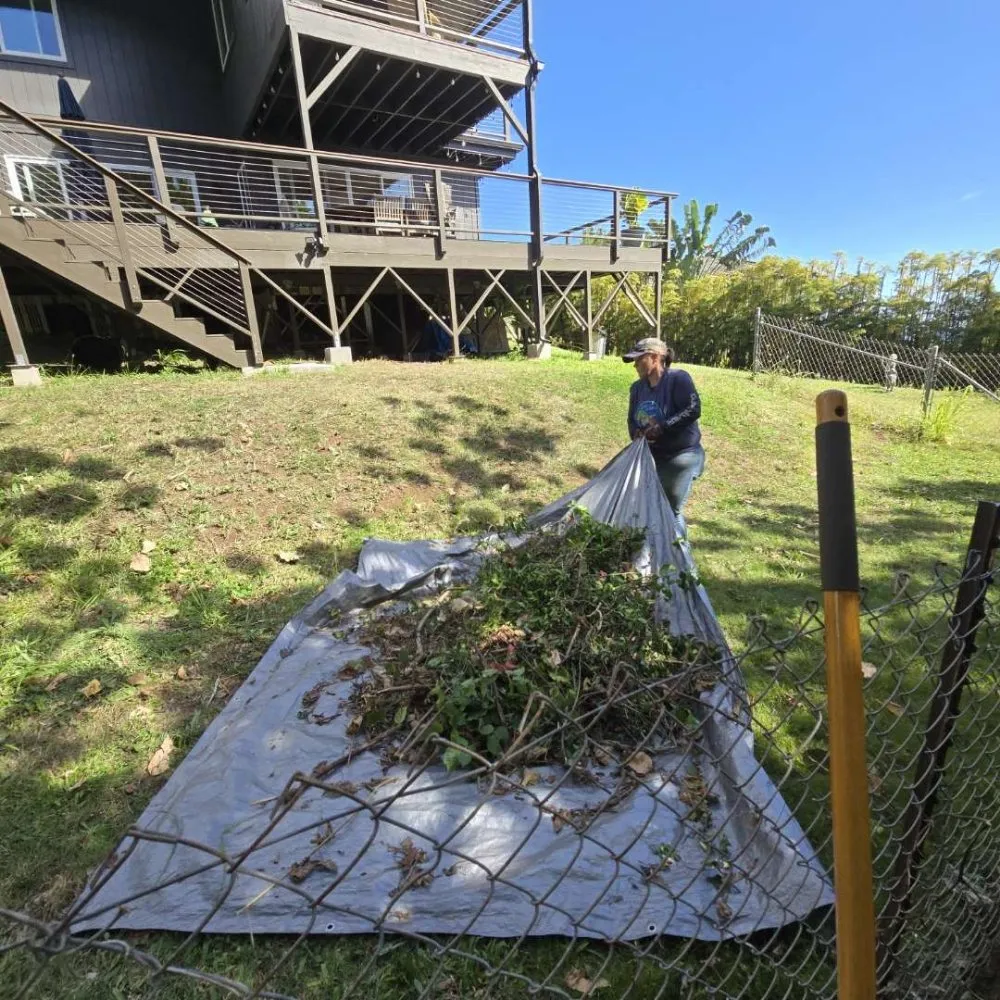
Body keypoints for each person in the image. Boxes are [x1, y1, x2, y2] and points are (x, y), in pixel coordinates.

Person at [624, 337, 705, 537]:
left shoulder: (678, 379)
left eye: (639, 359)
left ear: (655, 357)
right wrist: (637, 433)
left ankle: (681, 564)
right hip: (652, 456)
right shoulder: (637, 388)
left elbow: (693, 409)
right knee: (645, 505)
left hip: (681, 456)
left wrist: (663, 427)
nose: (635, 364)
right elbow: (632, 420)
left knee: (669, 509)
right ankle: (654, 554)